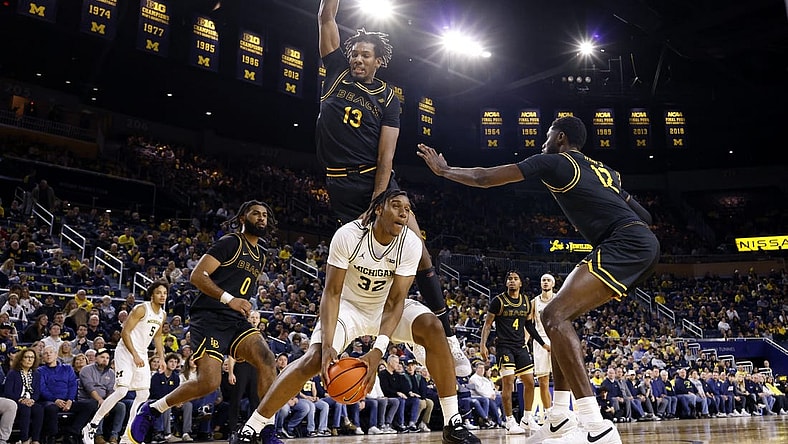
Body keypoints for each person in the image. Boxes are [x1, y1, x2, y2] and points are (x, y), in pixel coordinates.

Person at [417, 115, 660, 444]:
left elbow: (485, 178)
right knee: (562, 318)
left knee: (552, 315)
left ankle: (595, 423)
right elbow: (645, 216)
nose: (542, 142)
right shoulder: (605, 171)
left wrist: (445, 171)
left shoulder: (555, 161)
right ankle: (559, 416)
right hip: (638, 243)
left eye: (547, 136)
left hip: (624, 243)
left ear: (560, 138)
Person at [232, 190, 479, 444]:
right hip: (348, 308)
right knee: (314, 359)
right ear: (378, 210)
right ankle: (252, 428)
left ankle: (453, 424)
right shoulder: (349, 234)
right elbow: (332, 292)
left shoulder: (411, 243)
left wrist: (378, 351)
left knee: (433, 327)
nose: (404, 212)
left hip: (385, 307)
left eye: (407, 208)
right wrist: (328, 344)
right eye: (396, 206)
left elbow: (395, 301)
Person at [315, 0, 470, 377]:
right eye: (354, 53)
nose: (357, 59)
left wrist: (379, 200)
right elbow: (326, 16)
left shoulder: (388, 98)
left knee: (419, 253)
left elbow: (387, 156)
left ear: (379, 60)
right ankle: (360, 331)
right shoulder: (335, 70)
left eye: (365, 55)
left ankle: (448, 338)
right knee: (356, 260)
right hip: (339, 183)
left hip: (375, 179)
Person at [129, 201, 279, 444]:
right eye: (255, 214)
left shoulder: (261, 254)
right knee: (209, 383)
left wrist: (241, 306)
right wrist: (229, 299)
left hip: (235, 320)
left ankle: (265, 429)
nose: (261, 218)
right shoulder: (231, 242)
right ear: (243, 218)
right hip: (209, 316)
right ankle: (152, 410)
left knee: (267, 360)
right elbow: (197, 275)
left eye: (264, 215)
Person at [82, 280, 167, 444]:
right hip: (125, 351)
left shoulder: (162, 314)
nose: (162, 295)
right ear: (152, 294)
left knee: (144, 394)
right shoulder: (141, 308)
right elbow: (125, 332)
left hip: (141, 352)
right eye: (159, 292)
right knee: (122, 391)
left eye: (165, 293)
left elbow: (157, 336)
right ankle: (91, 426)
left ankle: (128, 436)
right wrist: (134, 354)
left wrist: (161, 357)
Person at [479, 270, 547, 434]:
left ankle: (527, 418)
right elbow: (488, 324)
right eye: (509, 279)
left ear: (521, 283)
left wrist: (543, 344)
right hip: (504, 347)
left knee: (530, 383)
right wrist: (483, 345)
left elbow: (529, 326)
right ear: (506, 283)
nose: (512, 281)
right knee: (508, 382)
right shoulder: (498, 301)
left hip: (520, 347)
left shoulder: (526, 302)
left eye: (516, 279)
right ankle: (509, 421)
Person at [4, 348, 43, 444]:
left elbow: (37, 392)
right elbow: (8, 392)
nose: (30, 360)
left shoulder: (36, 374)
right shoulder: (13, 373)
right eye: (27, 357)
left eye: (32, 357)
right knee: (26, 409)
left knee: (39, 409)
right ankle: (24, 439)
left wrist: (32, 400)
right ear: (21, 359)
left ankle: (35, 440)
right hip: (16, 401)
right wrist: (21, 400)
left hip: (30, 401)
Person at [532, 273, 557, 415]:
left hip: (556, 339)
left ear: (553, 284)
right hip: (540, 341)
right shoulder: (534, 302)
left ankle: (561, 409)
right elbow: (529, 325)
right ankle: (548, 413)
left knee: (562, 378)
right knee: (543, 381)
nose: (545, 282)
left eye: (548, 280)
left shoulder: (558, 299)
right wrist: (523, 343)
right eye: (543, 280)